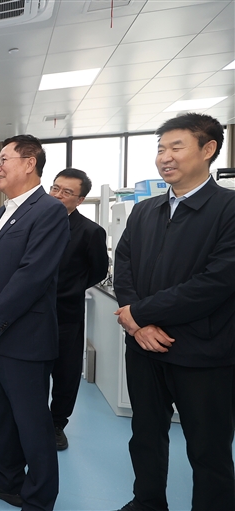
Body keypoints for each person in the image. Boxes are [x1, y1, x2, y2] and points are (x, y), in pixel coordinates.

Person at [113, 113, 235, 511]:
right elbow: (124, 264)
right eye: (161, 149)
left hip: (203, 352)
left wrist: (138, 314)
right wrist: (137, 324)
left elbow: (215, 283)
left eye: (176, 147)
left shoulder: (228, 209)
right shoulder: (144, 211)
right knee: (145, 435)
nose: (165, 157)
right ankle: (147, 502)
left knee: (208, 448)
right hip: (144, 350)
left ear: (208, 149)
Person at [0, 135, 69, 511]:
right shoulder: (2, 211)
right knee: (2, 417)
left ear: (29, 163)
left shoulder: (49, 211)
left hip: (24, 339)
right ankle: (8, 478)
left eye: (3, 159)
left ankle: (39, 498)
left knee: (32, 424)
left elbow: (32, 276)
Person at [48, 168, 108, 451]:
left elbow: (98, 270)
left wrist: (70, 288)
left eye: (67, 192)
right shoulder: (34, 222)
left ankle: (56, 423)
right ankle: (28, 418)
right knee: (29, 371)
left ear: (80, 199)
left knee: (65, 372)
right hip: (29, 312)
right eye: (55, 188)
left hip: (66, 313)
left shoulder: (90, 231)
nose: (58, 195)